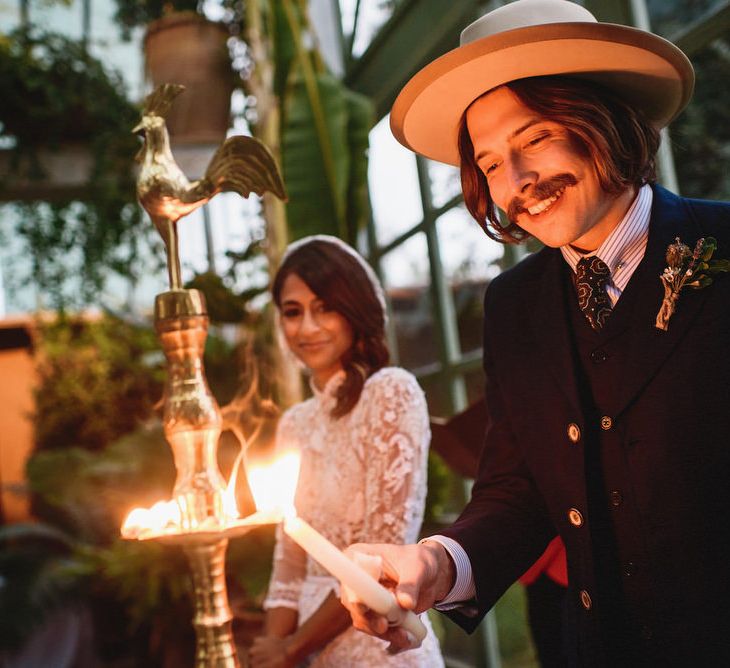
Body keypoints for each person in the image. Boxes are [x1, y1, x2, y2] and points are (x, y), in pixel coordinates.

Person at [340, 1, 730, 665]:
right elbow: (516, 491)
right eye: (490, 164)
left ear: (600, 120)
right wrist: (438, 562)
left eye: (535, 140)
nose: (515, 183)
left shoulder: (721, 245)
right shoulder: (513, 306)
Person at [249, 236, 444, 667]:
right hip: (310, 653)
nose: (307, 328)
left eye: (325, 308)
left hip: (376, 644)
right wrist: (273, 650)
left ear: (355, 310)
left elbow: (382, 559)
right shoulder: (293, 424)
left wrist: (292, 647)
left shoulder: (390, 394)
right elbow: (288, 567)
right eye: (293, 312)